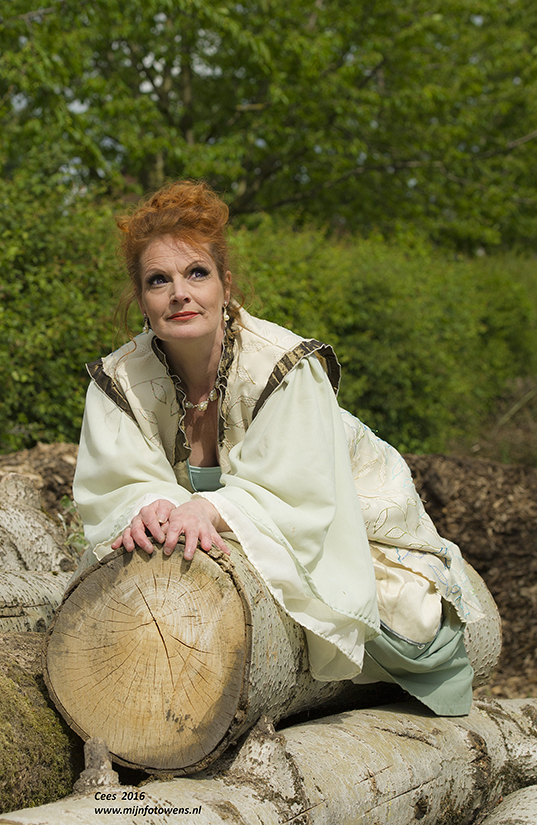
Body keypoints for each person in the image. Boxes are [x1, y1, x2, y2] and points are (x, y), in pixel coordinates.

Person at [73, 179, 484, 717]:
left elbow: (299, 492)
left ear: (225, 285)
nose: (179, 294)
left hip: (351, 509)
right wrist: (150, 506)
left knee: (406, 622)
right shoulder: (118, 380)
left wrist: (207, 509)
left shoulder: (284, 365)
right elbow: (116, 483)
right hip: (242, 520)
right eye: (158, 280)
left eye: (197, 273)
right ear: (141, 299)